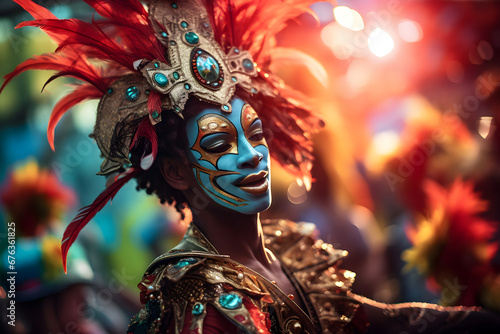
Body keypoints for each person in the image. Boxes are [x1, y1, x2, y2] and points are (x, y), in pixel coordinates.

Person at [2, 0, 500, 333]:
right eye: (220, 143)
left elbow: (377, 320)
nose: (250, 153)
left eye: (254, 132)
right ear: (176, 173)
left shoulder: (286, 250)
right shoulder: (191, 298)